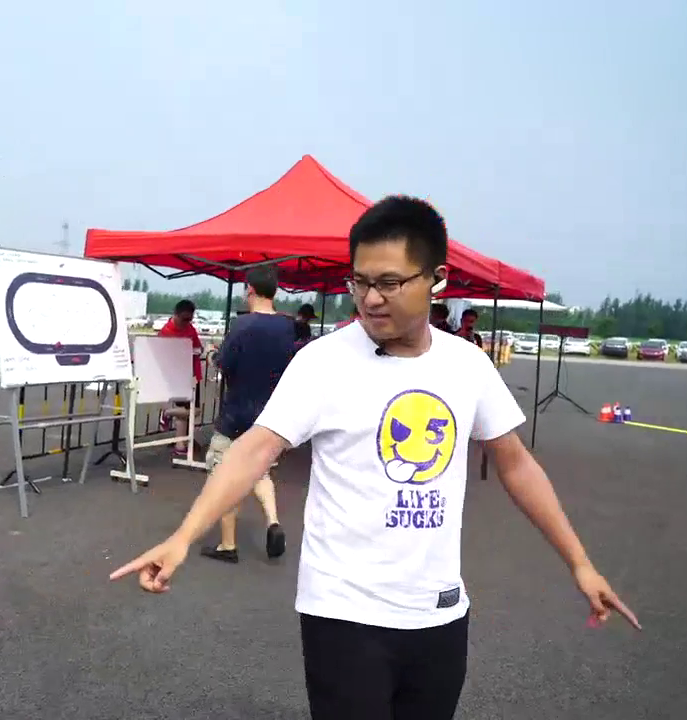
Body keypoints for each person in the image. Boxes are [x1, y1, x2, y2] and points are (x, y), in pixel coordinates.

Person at [110, 195, 640, 720]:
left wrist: (580, 564)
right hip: (343, 613)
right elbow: (255, 448)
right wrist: (185, 536)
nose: (370, 299)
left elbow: (516, 464)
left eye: (389, 282)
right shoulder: (323, 362)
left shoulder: (468, 365)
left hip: (438, 613)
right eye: (359, 282)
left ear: (436, 279)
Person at [200, 265, 294, 564]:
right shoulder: (287, 326)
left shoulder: (241, 325)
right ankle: (273, 521)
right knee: (260, 471)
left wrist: (212, 354)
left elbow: (225, 363)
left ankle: (228, 545)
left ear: (249, 290)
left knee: (225, 476)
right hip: (268, 416)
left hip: (236, 414)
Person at [157, 299, 203, 457]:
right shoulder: (166, 332)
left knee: (190, 411)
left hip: (192, 374)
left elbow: (198, 347)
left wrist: (194, 350)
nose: (187, 323)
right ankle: (168, 415)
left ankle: (180, 444)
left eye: (190, 319)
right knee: (189, 410)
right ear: (175, 315)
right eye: (184, 319)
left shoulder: (190, 329)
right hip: (177, 376)